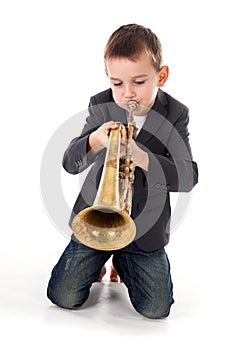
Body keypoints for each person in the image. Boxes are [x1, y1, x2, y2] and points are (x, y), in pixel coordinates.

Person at [47, 24, 198, 319]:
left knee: (156, 310)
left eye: (139, 82)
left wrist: (143, 157)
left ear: (161, 76)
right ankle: (97, 261)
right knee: (63, 297)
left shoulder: (175, 114)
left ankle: (124, 263)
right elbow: (69, 162)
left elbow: (188, 176)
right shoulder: (101, 104)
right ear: (108, 78)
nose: (127, 93)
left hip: (144, 232)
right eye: (117, 83)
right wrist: (95, 140)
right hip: (96, 223)